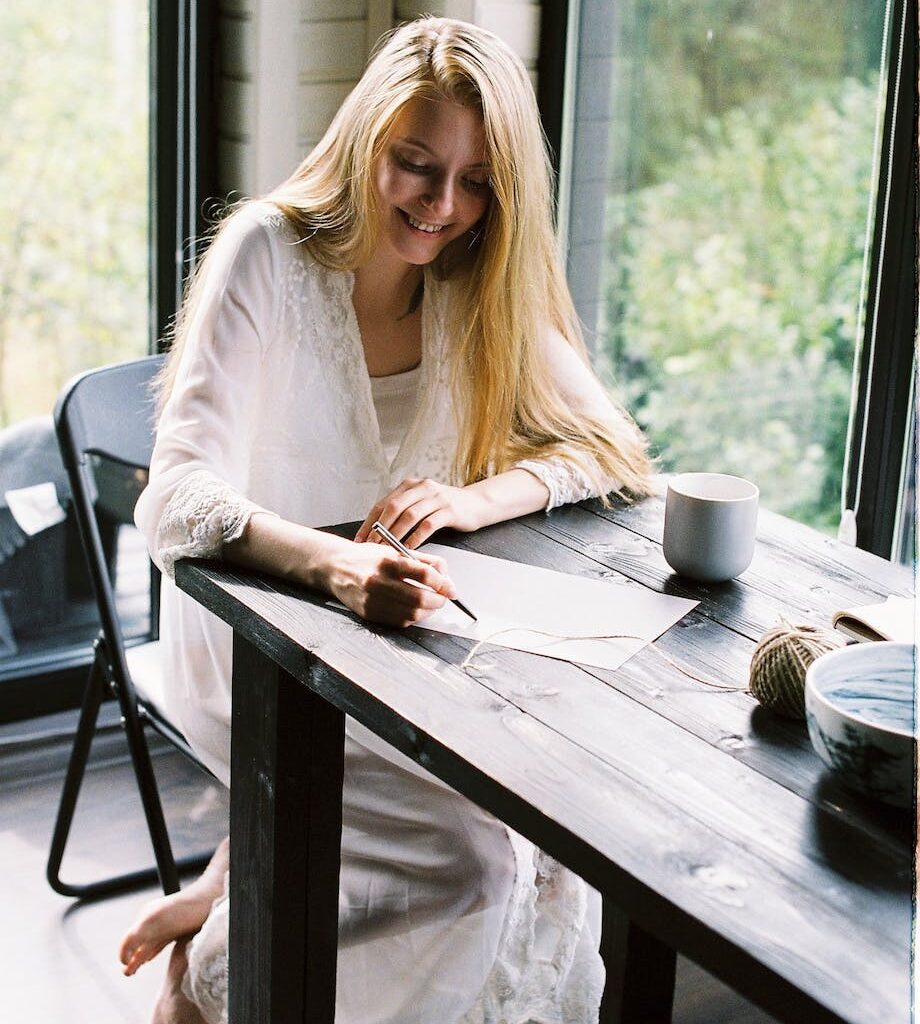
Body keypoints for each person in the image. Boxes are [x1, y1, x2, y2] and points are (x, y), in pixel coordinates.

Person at [121, 15, 653, 1024]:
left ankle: (226, 889)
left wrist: (467, 499)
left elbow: (606, 449)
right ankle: (209, 978)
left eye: (477, 180)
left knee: (562, 840)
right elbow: (175, 496)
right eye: (415, 164)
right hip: (257, 638)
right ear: (368, 138)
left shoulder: (476, 279)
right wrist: (334, 570)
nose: (442, 204)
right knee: (474, 868)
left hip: (410, 648)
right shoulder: (267, 253)